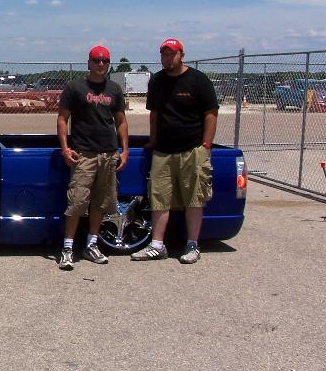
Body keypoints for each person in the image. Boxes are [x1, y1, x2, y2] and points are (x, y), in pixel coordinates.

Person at [131, 38, 218, 264]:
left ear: (182, 55)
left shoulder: (198, 80)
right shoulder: (157, 81)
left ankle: (192, 245)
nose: (168, 58)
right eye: (164, 54)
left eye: (172, 54)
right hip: (163, 152)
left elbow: (211, 114)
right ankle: (157, 245)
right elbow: (154, 113)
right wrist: (153, 140)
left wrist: (206, 145)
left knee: (194, 199)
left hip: (192, 149)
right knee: (159, 198)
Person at [56, 45, 129, 270]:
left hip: (108, 154)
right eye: (97, 60)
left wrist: (125, 150)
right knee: (77, 202)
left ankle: (91, 244)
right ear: (88, 62)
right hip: (83, 154)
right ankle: (67, 248)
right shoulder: (75, 87)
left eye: (105, 61)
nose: (101, 64)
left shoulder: (114, 89)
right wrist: (65, 149)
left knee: (100, 202)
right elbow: (62, 119)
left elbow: (121, 121)